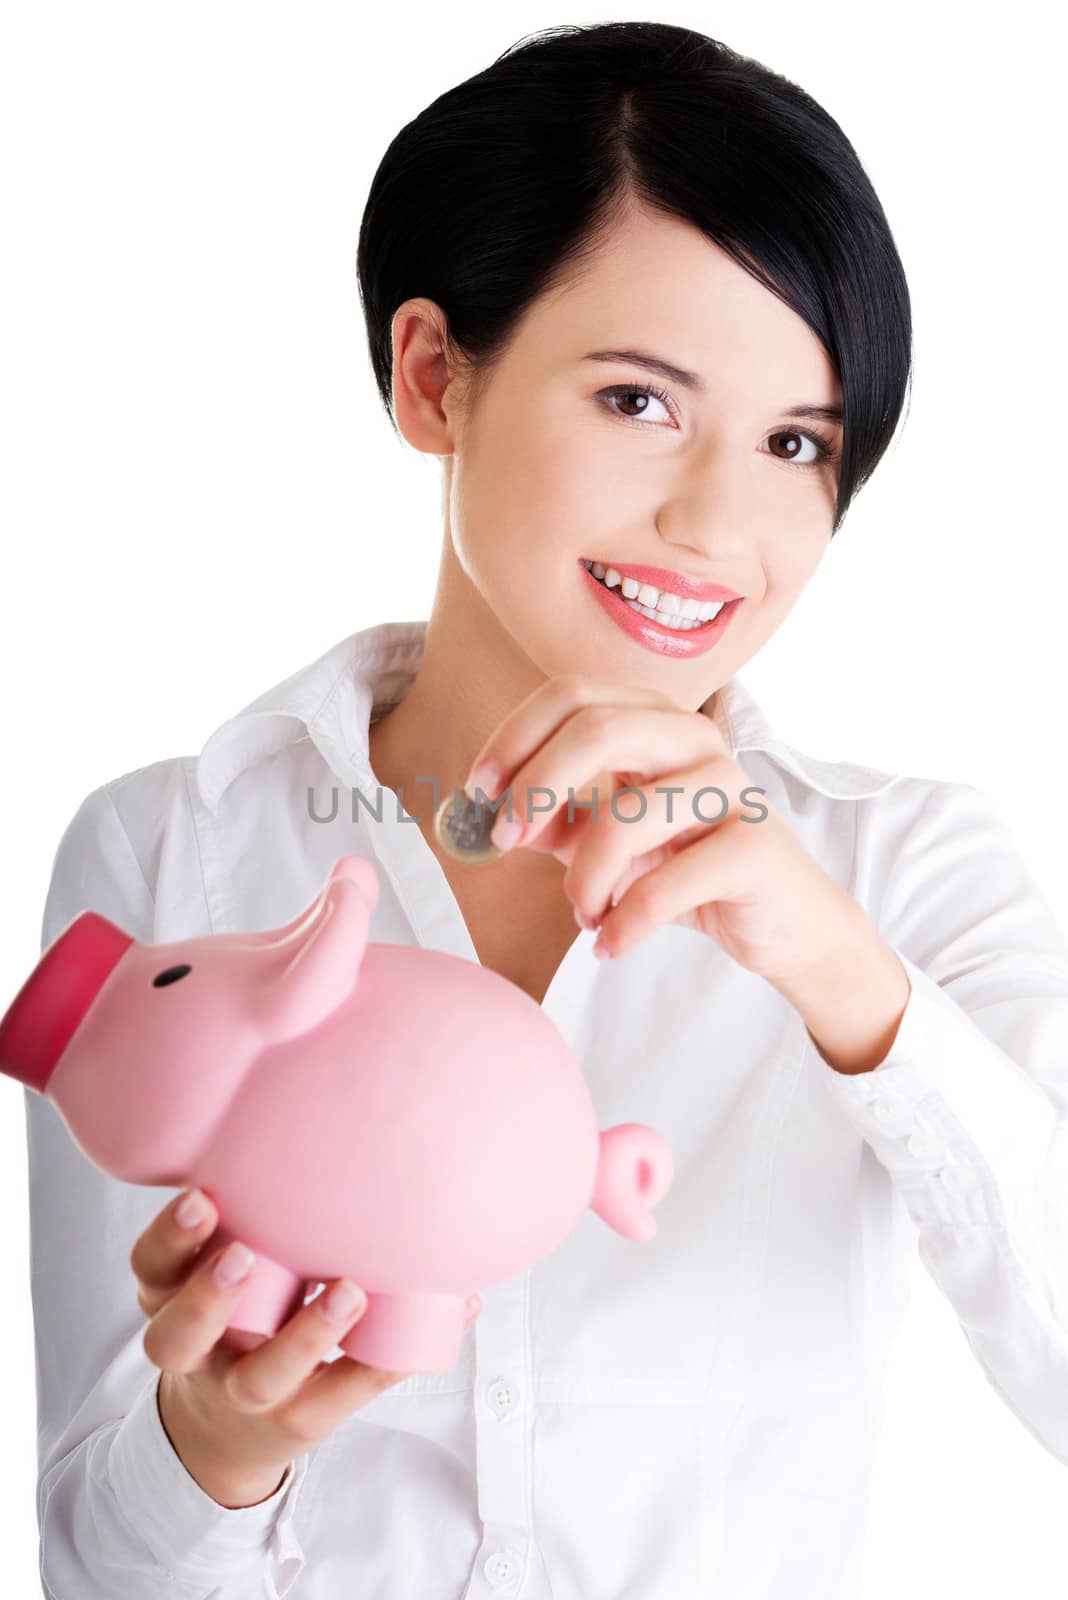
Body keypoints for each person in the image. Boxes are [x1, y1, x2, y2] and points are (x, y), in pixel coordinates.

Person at [23, 19, 1068, 1600]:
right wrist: (214, 1450)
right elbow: (97, 1564)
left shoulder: (905, 870)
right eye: (640, 402)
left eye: (799, 443)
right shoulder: (172, 846)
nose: (722, 522)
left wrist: (855, 988)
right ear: (432, 374)